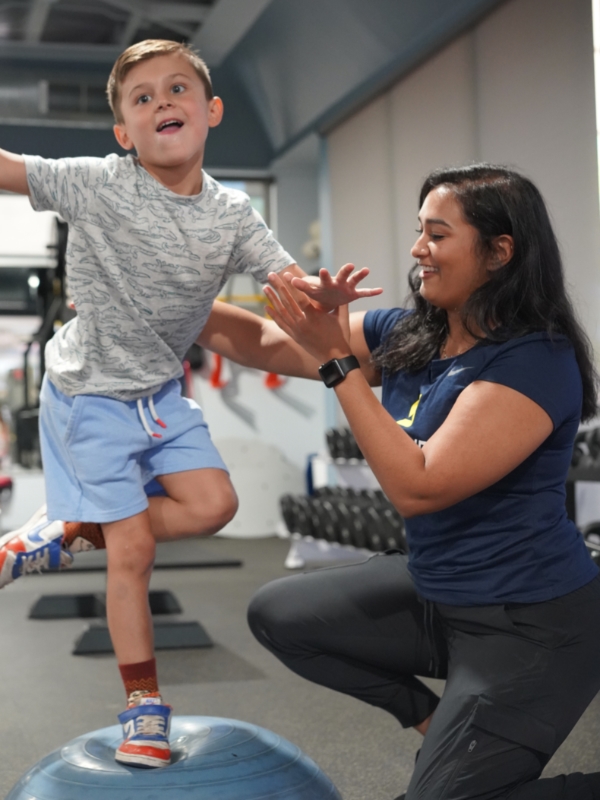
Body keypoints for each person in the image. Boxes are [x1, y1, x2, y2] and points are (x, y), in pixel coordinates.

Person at [0, 39, 380, 769]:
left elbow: (291, 291)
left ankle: (67, 532)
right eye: (140, 99)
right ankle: (144, 707)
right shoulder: (95, 183)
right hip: (89, 395)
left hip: (160, 393)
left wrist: (322, 301)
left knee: (213, 505)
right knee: (134, 550)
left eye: (177, 90)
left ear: (210, 112)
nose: (160, 103)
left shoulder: (233, 213)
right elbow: (10, 168)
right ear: (123, 133)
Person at [229, 164, 600, 800]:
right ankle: (434, 719)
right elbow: (264, 340)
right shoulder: (410, 335)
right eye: (418, 231)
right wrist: (150, 298)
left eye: (437, 234)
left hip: (530, 623)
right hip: (438, 595)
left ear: (499, 251)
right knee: (280, 615)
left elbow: (419, 487)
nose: (416, 249)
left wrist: (336, 362)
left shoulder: (536, 358)